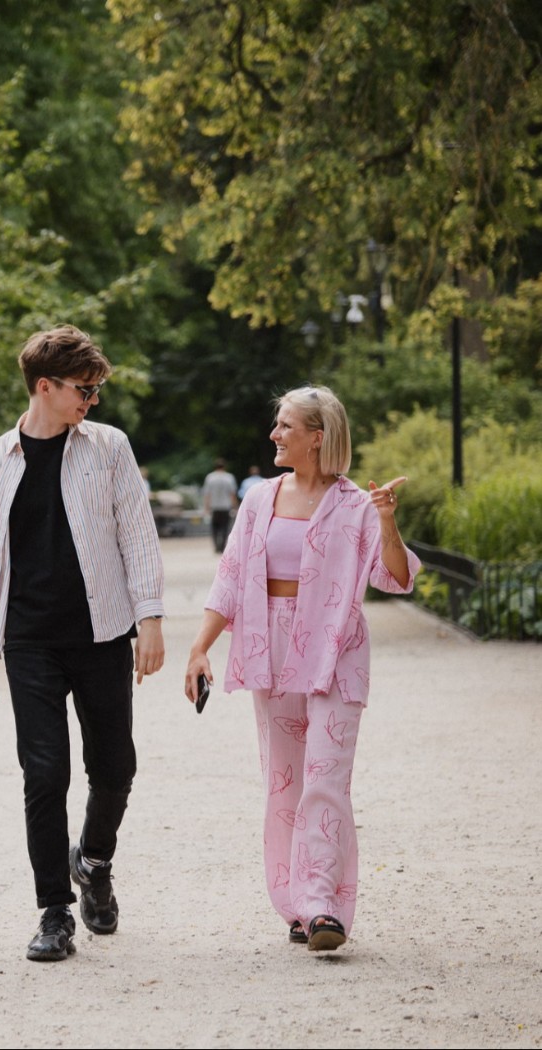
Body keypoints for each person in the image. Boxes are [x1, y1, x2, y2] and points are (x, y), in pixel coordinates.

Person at [0, 325, 165, 962]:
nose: (92, 401)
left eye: (97, 390)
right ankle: (54, 912)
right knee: (44, 774)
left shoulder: (108, 448)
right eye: (84, 389)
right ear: (44, 387)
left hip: (102, 633)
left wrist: (149, 619)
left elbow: (137, 532)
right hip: (30, 642)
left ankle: (93, 861)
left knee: (115, 768)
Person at [184, 385, 419, 952]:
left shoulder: (356, 505)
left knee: (326, 780)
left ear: (318, 437)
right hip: (273, 651)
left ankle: (322, 907)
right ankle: (294, 904)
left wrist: (386, 520)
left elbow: (396, 578)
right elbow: (231, 576)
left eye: (286, 426)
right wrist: (200, 648)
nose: (275, 434)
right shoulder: (260, 499)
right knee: (284, 785)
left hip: (336, 653)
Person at [202, 458, 238, 552]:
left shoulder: (210, 477)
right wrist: (234, 506)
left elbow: (207, 494)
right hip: (226, 506)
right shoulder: (229, 477)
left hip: (214, 506)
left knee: (214, 528)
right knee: (225, 528)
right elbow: (232, 494)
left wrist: (206, 507)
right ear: (224, 466)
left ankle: (216, 546)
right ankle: (222, 546)